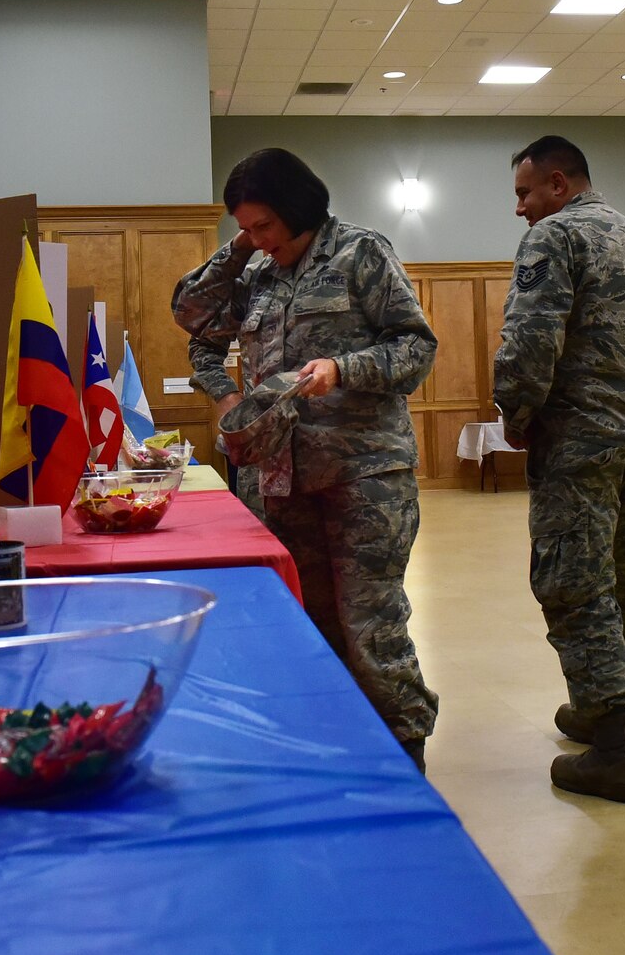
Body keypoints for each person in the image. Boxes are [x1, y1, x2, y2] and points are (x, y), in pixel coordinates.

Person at [172, 148, 440, 770]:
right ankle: (337, 744)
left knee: (370, 622)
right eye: (246, 228)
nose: (258, 239)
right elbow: (191, 321)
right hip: (280, 479)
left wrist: (343, 369)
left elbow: (416, 349)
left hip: (364, 477)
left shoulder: (361, 253)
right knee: (307, 619)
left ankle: (405, 756)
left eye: (265, 225)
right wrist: (227, 396)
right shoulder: (256, 273)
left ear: (298, 210)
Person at [493, 136, 625, 804]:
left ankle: (615, 745)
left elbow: (529, 340)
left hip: (578, 444)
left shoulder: (554, 239)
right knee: (620, 571)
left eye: (525, 192)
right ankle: (598, 698)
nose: (519, 207)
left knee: (573, 583)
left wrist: (517, 415)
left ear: (558, 183)